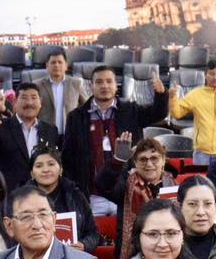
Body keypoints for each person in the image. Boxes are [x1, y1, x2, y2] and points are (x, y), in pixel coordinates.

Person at [60, 65, 168, 217]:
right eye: (99, 82)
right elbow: (68, 158)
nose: (104, 86)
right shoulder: (76, 117)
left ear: (116, 86)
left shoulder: (131, 110)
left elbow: (158, 113)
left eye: (109, 81)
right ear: (91, 86)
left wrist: (161, 94)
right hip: (91, 196)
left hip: (126, 192)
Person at [98, 136, 175, 259]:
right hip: (132, 257)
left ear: (163, 160)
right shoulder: (125, 185)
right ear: (135, 162)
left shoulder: (174, 186)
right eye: (143, 159)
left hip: (167, 253)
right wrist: (118, 161)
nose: (149, 164)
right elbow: (103, 186)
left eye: (154, 158)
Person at [0, 82, 59, 192]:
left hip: (43, 192)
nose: (29, 103)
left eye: (34, 98)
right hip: (11, 192)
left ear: (40, 102)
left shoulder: (50, 130)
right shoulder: (1, 126)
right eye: (24, 98)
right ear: (15, 102)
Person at [28, 145, 99, 253]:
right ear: (32, 173)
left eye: (51, 164)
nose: (45, 170)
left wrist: (84, 245)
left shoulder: (75, 195)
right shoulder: (21, 200)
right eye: (39, 166)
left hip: (72, 258)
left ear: (61, 169)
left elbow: (93, 233)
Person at [36, 52, 84, 134]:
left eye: (60, 62)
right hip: (46, 134)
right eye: (53, 62)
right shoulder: (37, 85)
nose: (56, 65)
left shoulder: (76, 83)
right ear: (47, 65)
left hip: (70, 133)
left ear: (66, 66)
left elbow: (86, 106)